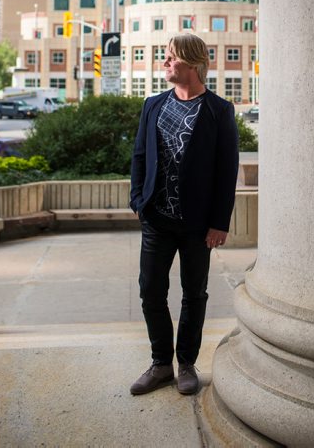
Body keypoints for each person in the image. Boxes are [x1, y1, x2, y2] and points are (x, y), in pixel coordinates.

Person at [129, 33, 239, 397]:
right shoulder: (153, 105)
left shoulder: (218, 110)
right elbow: (140, 156)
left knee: (194, 294)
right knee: (150, 291)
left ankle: (186, 364)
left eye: (171, 58)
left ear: (192, 63)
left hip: (196, 225)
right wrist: (138, 201)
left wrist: (219, 222)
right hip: (157, 220)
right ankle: (161, 363)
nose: (165, 63)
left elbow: (227, 169)